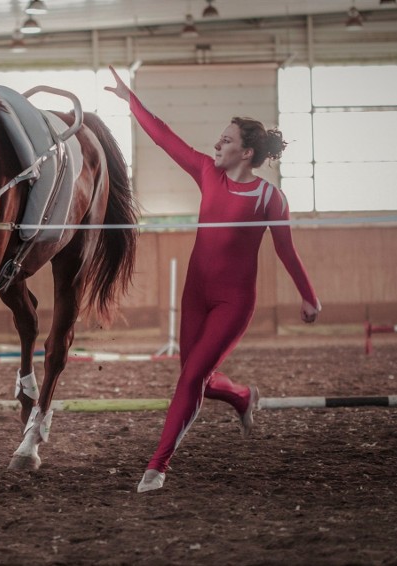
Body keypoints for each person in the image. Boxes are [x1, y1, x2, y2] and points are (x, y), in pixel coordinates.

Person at [104, 65, 321, 493]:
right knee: (194, 373)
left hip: (233, 302)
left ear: (245, 153)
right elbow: (164, 137)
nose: (217, 143)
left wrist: (309, 298)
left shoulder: (269, 197)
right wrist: (131, 100)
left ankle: (157, 467)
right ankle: (241, 396)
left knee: (189, 380)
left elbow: (285, 250)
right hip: (196, 293)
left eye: (226, 140)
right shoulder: (207, 172)